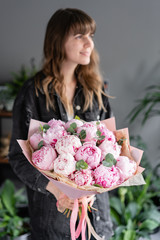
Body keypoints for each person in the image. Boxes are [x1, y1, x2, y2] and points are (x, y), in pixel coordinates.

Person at [9, 8, 113, 240]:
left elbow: (114, 147)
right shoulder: (32, 93)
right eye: (79, 36)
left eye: (91, 36)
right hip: (52, 223)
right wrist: (57, 190)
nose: (89, 44)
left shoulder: (96, 91)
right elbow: (18, 158)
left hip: (97, 220)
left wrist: (96, 186)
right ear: (58, 40)